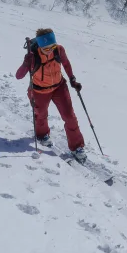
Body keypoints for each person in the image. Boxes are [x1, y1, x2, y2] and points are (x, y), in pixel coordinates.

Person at [16, 28, 87, 163]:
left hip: (59, 87)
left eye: (52, 46)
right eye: (46, 48)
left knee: (70, 116)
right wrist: (26, 63)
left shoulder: (58, 50)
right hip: (39, 90)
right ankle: (42, 135)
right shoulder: (33, 56)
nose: (50, 50)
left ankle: (77, 147)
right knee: (41, 115)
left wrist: (72, 79)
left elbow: (65, 63)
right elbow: (18, 76)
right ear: (40, 46)